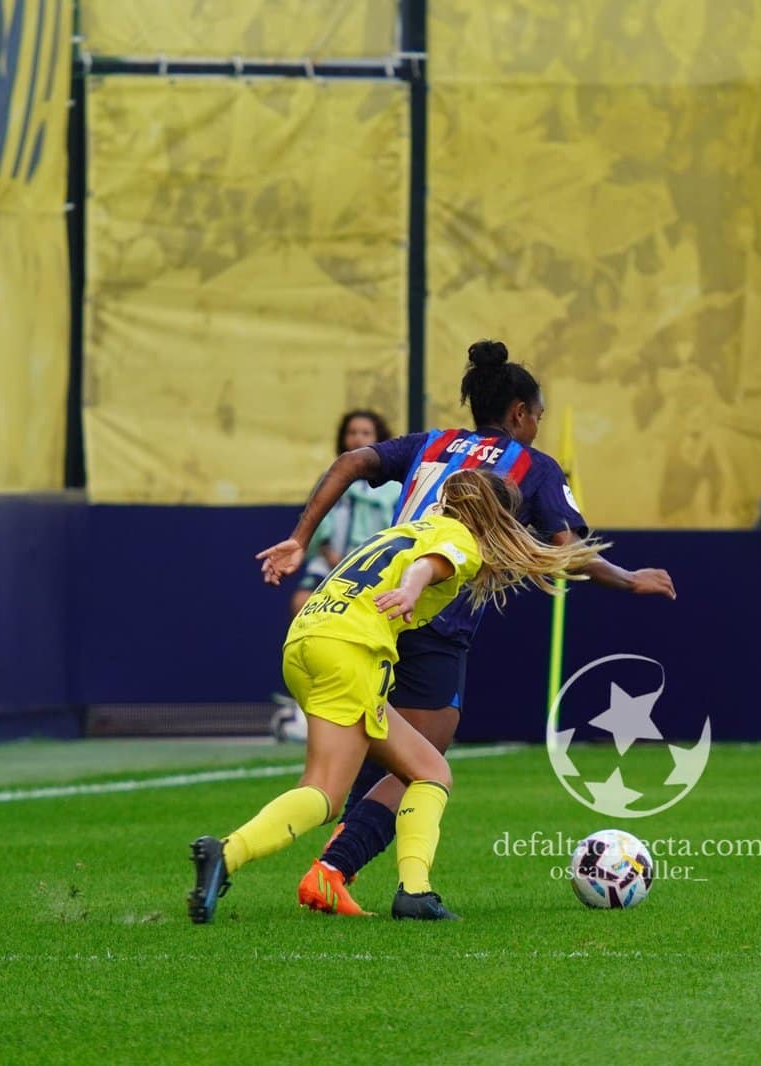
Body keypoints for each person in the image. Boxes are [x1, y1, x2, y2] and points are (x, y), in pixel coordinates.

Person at [257, 339, 677, 917]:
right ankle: (339, 870)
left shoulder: (433, 443)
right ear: (519, 414)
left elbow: (350, 463)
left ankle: (335, 866)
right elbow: (570, 548)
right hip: (434, 618)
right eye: (538, 415)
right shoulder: (533, 467)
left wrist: (300, 537)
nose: (538, 425)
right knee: (422, 760)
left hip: (376, 612)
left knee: (381, 747)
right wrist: (628, 579)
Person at [188, 470, 606, 924]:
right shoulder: (461, 539)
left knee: (430, 771)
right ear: (495, 517)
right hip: (351, 651)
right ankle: (226, 854)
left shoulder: (405, 527)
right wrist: (411, 589)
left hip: (307, 640)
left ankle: (416, 893)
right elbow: (427, 566)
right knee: (325, 793)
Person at [291, 411, 402, 617]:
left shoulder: (393, 486)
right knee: (301, 602)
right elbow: (317, 522)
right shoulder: (330, 479)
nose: (358, 438)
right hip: (330, 562)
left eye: (365, 433)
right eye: (352, 432)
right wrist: (331, 556)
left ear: (378, 438)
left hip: (375, 566)